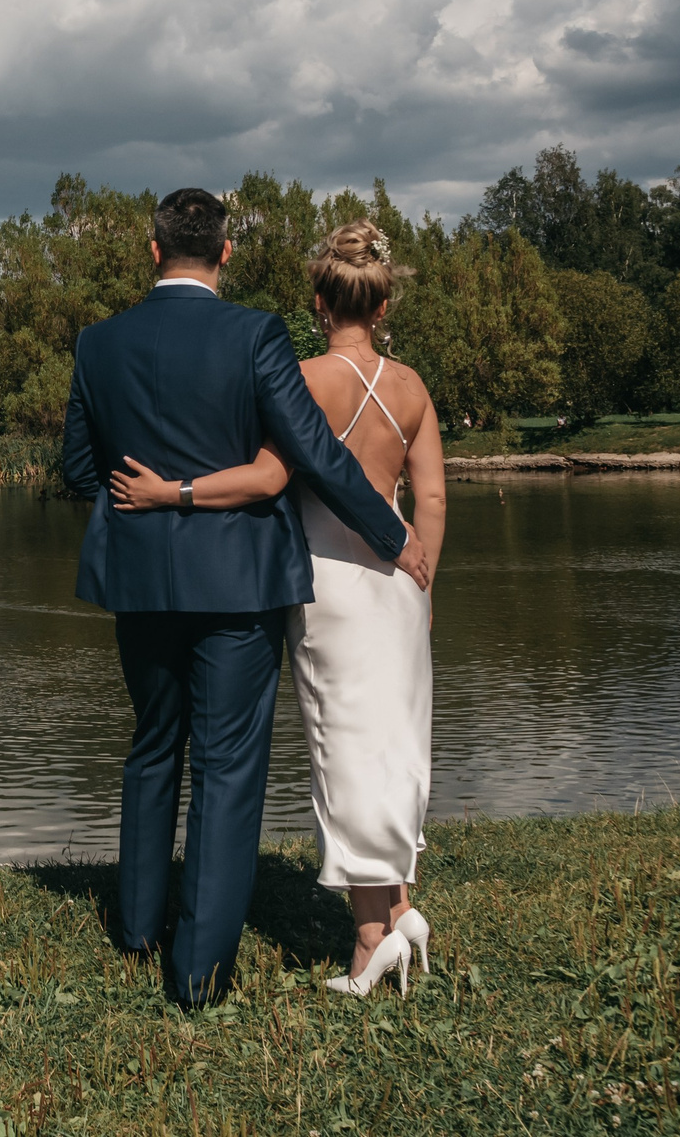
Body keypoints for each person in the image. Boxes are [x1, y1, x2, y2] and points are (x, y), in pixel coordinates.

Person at [62, 189, 427, 1006]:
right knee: (226, 767)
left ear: (153, 250)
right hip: (237, 584)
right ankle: (196, 975)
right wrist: (392, 535)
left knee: (154, 743)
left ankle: (137, 930)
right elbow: (316, 452)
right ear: (225, 252)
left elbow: (79, 467)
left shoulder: (98, 342)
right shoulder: (256, 333)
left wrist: (144, 508)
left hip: (140, 581)